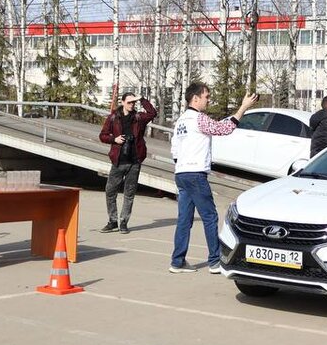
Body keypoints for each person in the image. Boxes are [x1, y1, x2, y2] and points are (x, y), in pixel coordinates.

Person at [169, 83, 258, 273]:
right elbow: (224, 128)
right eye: (206, 96)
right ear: (195, 98)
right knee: (210, 217)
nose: (208, 100)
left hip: (181, 173)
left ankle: (177, 261)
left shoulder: (181, 121)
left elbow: (174, 150)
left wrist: (184, 163)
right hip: (195, 173)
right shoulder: (198, 118)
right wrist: (243, 108)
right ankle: (215, 261)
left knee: (184, 219)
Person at [98, 92, 158, 234]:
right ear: (123, 102)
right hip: (118, 160)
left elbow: (152, 113)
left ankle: (124, 222)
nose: (131, 105)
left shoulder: (139, 118)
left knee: (129, 193)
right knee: (110, 191)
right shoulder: (113, 117)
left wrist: (142, 99)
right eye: (129, 102)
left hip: (134, 161)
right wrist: (114, 139)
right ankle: (112, 221)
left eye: (133, 102)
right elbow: (102, 135)